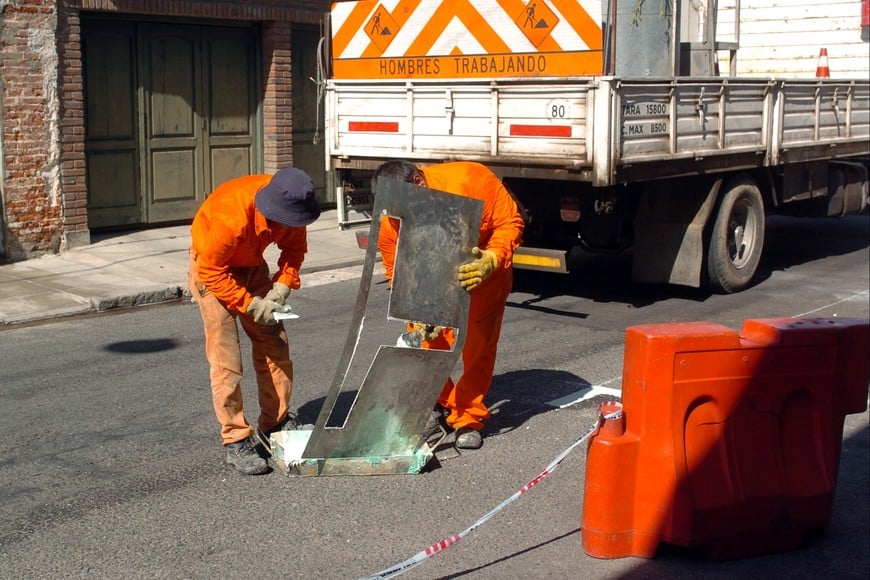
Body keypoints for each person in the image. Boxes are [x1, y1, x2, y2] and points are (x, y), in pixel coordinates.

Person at [373, 160, 525, 449]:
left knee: (477, 345)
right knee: (429, 344)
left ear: (419, 183)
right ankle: (443, 404)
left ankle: (468, 417)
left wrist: (492, 258)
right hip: (430, 277)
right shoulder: (392, 215)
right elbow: (396, 267)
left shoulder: (472, 179)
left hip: (481, 272)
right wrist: (412, 305)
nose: (401, 217)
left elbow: (509, 222)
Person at [188, 167, 321, 475]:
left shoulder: (293, 206)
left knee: (274, 342)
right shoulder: (231, 215)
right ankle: (235, 438)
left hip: (251, 265)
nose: (290, 227)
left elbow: (294, 250)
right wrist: (249, 304)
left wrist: (281, 287)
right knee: (226, 357)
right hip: (213, 268)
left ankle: (275, 422)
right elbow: (210, 270)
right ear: (270, 210)